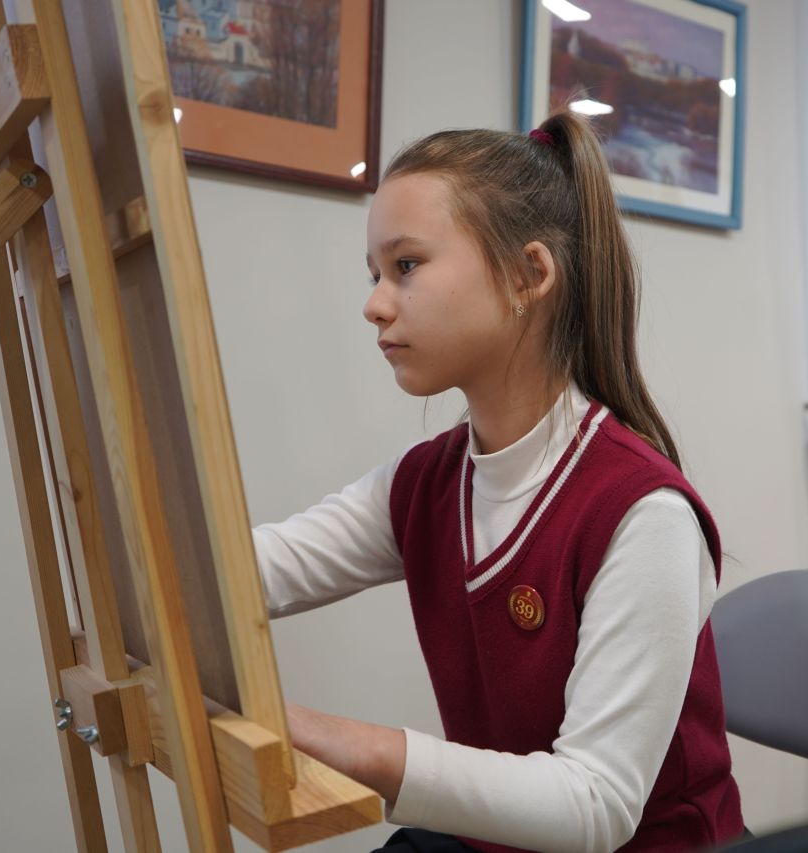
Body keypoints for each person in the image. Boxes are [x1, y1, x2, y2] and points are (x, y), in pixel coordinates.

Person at [252, 109, 744, 853]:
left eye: (406, 266)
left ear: (529, 275)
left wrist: (355, 746)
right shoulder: (425, 484)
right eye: (375, 274)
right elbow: (250, 572)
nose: (374, 303)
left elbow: (595, 803)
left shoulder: (644, 513)